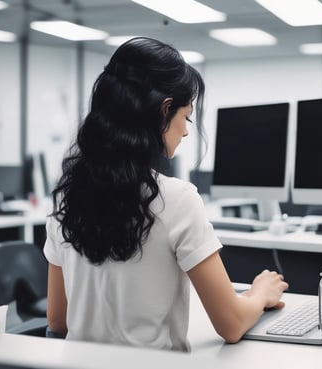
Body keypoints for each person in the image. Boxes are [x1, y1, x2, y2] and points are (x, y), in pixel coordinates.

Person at [44, 37, 288, 352]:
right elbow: (231, 324)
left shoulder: (67, 198)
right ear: (164, 110)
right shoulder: (178, 198)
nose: (186, 130)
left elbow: (58, 321)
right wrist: (260, 294)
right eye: (185, 116)